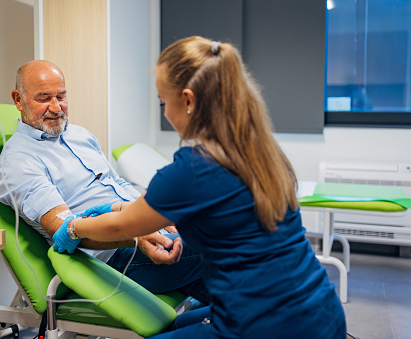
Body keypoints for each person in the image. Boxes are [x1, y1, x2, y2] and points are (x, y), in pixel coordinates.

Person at [53, 36, 347, 338]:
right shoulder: (260, 151)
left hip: (267, 325)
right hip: (320, 310)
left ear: (189, 100)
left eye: (163, 102)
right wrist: (119, 208)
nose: (165, 113)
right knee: (178, 324)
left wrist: (74, 227)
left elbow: (120, 228)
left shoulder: (193, 169)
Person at [0, 60, 209, 304]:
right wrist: (136, 237)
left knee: (226, 264)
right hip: (112, 256)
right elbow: (64, 229)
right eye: (44, 98)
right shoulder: (19, 161)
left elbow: (117, 184)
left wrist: (159, 217)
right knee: (218, 240)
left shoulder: (80, 135)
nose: (56, 107)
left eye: (61, 96)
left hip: (142, 226)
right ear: (18, 99)